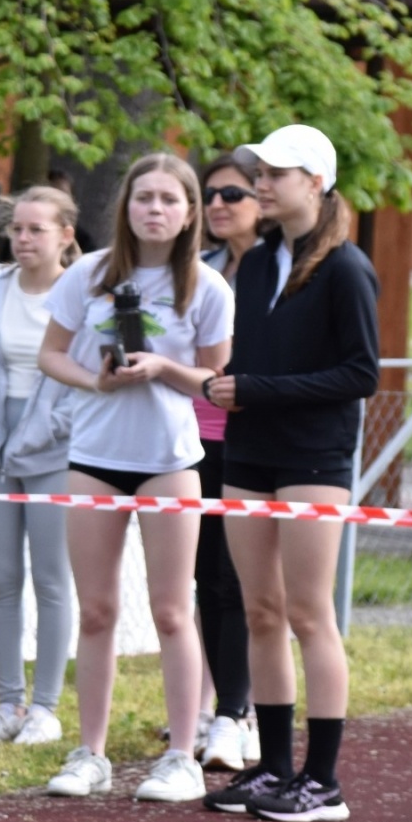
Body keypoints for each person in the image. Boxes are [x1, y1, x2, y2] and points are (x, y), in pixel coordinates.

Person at [36, 153, 233, 804]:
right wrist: (96, 380)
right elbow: (50, 354)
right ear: (126, 206)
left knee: (173, 609)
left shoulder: (207, 286)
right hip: (94, 456)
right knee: (96, 610)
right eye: (144, 197)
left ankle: (181, 755)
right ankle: (89, 752)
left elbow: (216, 382)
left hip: (170, 461)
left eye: (169, 199)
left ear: (189, 213)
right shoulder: (89, 274)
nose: (155, 209)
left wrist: (161, 368)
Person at [203, 124, 379, 822]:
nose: (261, 184)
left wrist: (256, 388)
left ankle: (322, 780)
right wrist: (229, 384)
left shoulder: (347, 268)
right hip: (249, 450)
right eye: (260, 172)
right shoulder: (254, 262)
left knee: (309, 612)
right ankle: (275, 767)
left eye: (276, 173)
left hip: (314, 456)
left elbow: (361, 373)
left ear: (316, 182)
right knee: (260, 610)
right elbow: (258, 358)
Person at [0, 186, 79, 747]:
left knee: (52, 579)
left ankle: (46, 707)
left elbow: (88, 380)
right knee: (1, 579)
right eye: (16, 229)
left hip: (55, 452)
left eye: (36, 229)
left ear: (65, 235)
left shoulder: (81, 293)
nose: (23, 239)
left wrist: (44, 432)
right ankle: (9, 705)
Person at [190, 154, 265, 772]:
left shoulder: (281, 269)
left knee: (238, 580)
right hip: (194, 439)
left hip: (256, 440)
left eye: (232, 193)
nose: (218, 204)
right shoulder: (202, 268)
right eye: (210, 193)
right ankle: (218, 708)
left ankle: (237, 712)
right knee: (205, 581)